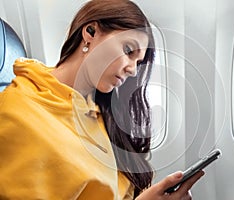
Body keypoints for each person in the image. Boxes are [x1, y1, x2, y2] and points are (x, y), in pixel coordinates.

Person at [0, 0, 204, 199]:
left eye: (138, 62)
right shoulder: (18, 110)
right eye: (128, 51)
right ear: (90, 32)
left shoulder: (96, 112)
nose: (133, 70)